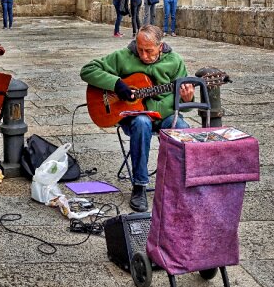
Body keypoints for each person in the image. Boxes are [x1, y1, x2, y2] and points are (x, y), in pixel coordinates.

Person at [80, 25, 194, 212]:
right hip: (133, 117)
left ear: (160, 46)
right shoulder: (123, 56)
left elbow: (185, 104)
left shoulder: (174, 61)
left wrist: (187, 98)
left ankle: (179, 185)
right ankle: (139, 185)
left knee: (182, 126)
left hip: (163, 117)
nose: (144, 55)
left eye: (149, 51)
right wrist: (117, 84)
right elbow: (87, 70)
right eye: (140, 49)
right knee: (142, 123)